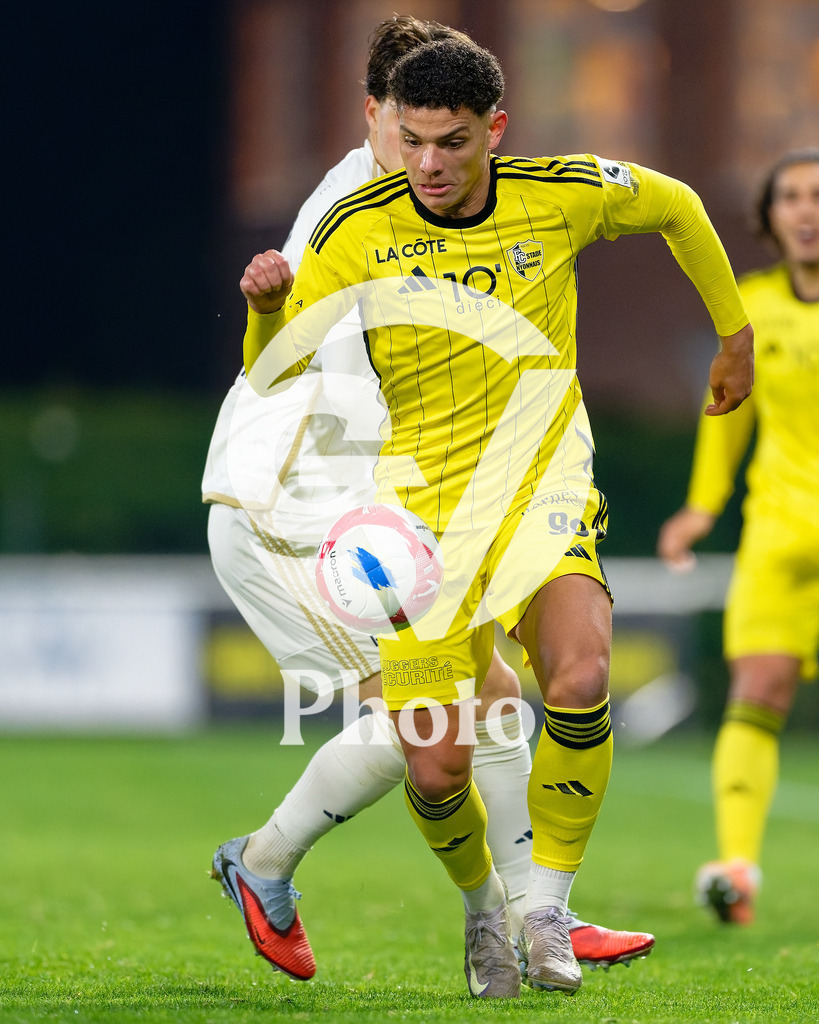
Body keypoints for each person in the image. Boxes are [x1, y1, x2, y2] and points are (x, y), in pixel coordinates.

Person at [240, 37, 753, 998]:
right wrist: (269, 309)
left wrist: (734, 332)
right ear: (389, 129)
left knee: (581, 668)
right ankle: (486, 915)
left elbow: (679, 205)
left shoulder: (557, 194)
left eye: (452, 142)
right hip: (417, 527)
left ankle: (547, 910)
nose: (429, 164)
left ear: (495, 132)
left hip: (542, 493)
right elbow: (276, 367)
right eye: (412, 140)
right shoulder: (355, 228)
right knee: (435, 769)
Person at [657, 148, 819, 926]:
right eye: (789, 196)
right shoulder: (748, 310)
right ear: (769, 217)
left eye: (817, 195)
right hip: (779, 538)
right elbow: (725, 412)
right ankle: (736, 870)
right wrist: (699, 506)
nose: (805, 209)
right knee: (756, 693)